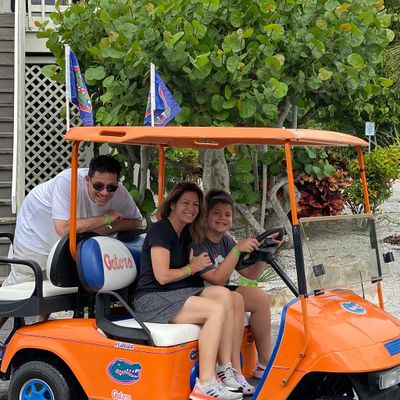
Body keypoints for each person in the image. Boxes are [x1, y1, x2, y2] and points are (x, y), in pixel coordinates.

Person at [133, 182, 243, 400]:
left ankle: (224, 367)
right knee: (215, 310)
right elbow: (162, 276)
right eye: (186, 203)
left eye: (195, 205)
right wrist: (192, 267)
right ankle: (205, 384)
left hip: (177, 293)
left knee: (225, 295)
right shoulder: (161, 230)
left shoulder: (187, 232)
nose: (191, 208)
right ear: (173, 204)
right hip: (152, 299)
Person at [3, 154, 142, 288]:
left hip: (69, 242)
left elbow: (136, 222)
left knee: (63, 287)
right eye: (98, 186)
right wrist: (106, 219)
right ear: (87, 179)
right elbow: (63, 228)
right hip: (36, 232)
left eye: (111, 187)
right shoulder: (67, 182)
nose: (105, 192)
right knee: (23, 284)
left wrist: (108, 227)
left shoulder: (120, 193)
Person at [194, 189, 281, 394]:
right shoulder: (198, 242)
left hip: (220, 293)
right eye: (216, 213)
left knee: (259, 297)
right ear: (205, 216)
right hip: (199, 293)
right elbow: (217, 279)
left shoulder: (226, 240)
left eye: (227, 214)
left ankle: (264, 363)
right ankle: (234, 370)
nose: (223, 218)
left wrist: (265, 253)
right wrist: (236, 250)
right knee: (234, 298)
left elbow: (250, 274)